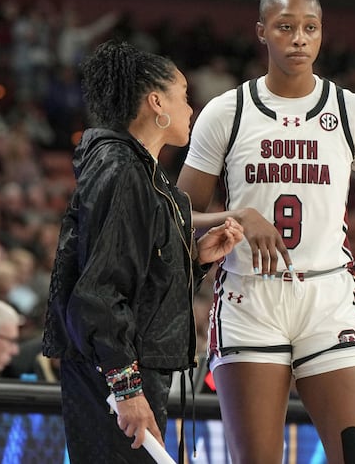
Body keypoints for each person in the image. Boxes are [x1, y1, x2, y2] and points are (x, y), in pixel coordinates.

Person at [176, 0, 355, 463]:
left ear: (322, 30)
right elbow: (177, 212)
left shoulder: (354, 112)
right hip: (249, 299)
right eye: (284, 27)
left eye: (309, 27)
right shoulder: (226, 113)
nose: (298, 38)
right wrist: (236, 216)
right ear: (261, 30)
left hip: (328, 295)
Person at [41, 40, 243, 463]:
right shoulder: (122, 170)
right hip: (116, 375)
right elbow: (99, 290)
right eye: (184, 96)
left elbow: (138, 284)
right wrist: (126, 388)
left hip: (124, 368)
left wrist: (195, 261)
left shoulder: (140, 174)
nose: (191, 108)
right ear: (156, 102)